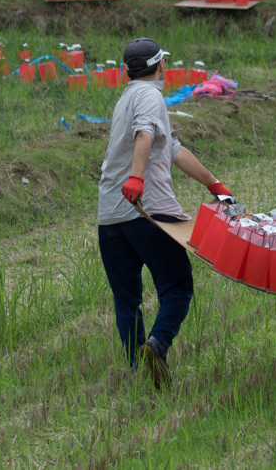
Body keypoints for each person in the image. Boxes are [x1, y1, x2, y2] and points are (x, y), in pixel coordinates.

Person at [97, 37, 234, 391]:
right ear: (161, 67)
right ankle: (157, 345)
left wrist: (213, 183)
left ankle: (134, 369)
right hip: (146, 212)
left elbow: (171, 147)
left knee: (127, 299)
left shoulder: (127, 98)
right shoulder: (150, 96)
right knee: (177, 287)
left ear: (127, 70)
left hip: (110, 216)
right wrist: (137, 178)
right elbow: (145, 135)